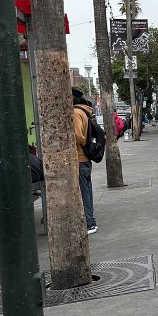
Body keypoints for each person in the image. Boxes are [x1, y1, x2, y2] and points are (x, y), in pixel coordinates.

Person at [72, 87, 97, 234]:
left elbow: (77, 135)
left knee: (84, 192)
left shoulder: (76, 112)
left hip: (80, 157)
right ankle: (91, 220)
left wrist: (80, 143)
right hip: (85, 158)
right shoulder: (86, 111)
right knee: (87, 190)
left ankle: (90, 223)